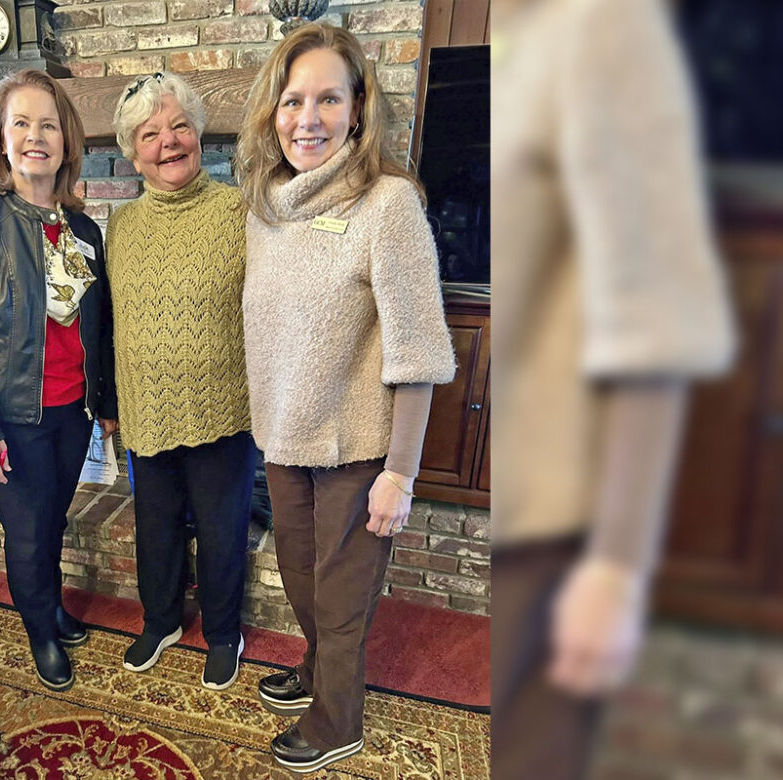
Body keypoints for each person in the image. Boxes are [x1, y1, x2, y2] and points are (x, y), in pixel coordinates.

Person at [491, 0, 734, 777]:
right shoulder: (523, 37)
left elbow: (656, 315)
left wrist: (617, 564)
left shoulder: (611, 31)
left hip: (559, 509)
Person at [237, 23, 456, 773]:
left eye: (328, 98)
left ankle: (339, 721)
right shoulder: (266, 208)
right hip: (284, 442)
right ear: (273, 112)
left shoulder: (388, 205)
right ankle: (317, 672)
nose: (308, 118)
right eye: (293, 100)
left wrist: (401, 471)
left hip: (357, 451)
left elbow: (420, 352)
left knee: (342, 599)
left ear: (357, 109)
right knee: (301, 581)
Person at [0, 69, 118, 693]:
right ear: (3, 139)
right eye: (22, 123)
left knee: (53, 519)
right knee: (26, 529)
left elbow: (99, 330)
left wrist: (105, 405)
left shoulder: (86, 231)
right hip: (12, 417)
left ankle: (52, 607)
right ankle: (40, 628)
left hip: (73, 410)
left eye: (49, 124)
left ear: (66, 141)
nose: (36, 136)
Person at [106, 72, 255, 690]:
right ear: (131, 151)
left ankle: (223, 632)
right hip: (146, 408)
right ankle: (161, 619)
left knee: (222, 528)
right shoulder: (120, 227)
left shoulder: (241, 212)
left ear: (199, 135)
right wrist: (111, 401)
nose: (167, 142)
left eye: (179, 127)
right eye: (149, 133)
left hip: (224, 405)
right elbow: (111, 318)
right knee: (156, 525)